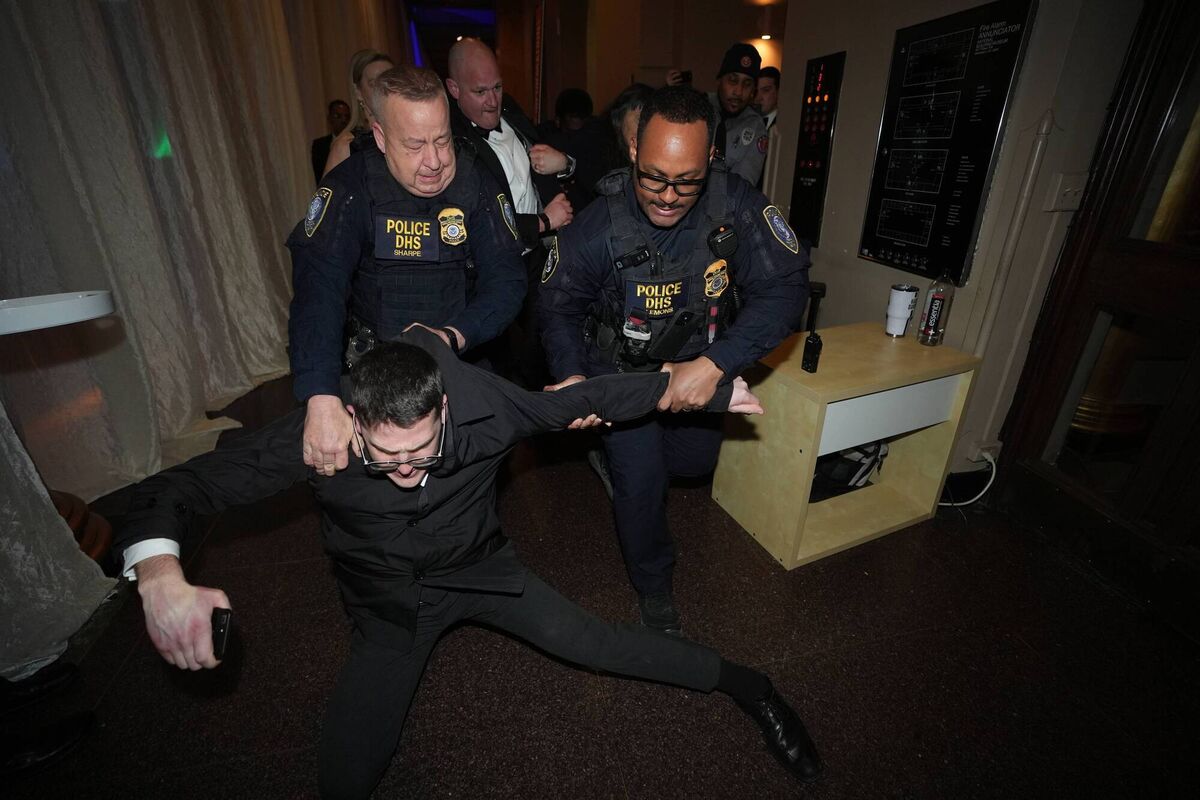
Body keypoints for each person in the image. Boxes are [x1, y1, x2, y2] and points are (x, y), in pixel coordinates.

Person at [115, 328, 823, 798]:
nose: (404, 470)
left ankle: (750, 687)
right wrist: (159, 576)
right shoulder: (319, 436)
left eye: (421, 451)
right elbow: (172, 490)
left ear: (445, 411)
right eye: (384, 456)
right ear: (353, 421)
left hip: (484, 569)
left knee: (599, 643)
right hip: (387, 605)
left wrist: (691, 390)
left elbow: (582, 401)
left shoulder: (487, 407)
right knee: (346, 773)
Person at [537, 85, 810, 635]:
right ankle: (654, 586)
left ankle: (626, 461)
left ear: (710, 159)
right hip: (623, 375)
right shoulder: (598, 226)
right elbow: (557, 307)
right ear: (634, 149)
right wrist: (571, 376)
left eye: (686, 181)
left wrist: (715, 365)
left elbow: (786, 286)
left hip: (696, 370)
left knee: (691, 465)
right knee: (640, 485)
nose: (667, 195)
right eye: (654, 177)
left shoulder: (735, 206)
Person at [287, 65, 526, 479]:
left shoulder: (477, 183)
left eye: (442, 140)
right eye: (414, 145)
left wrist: (454, 334)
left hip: (457, 359)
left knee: (470, 490)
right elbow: (317, 294)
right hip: (372, 370)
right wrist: (320, 394)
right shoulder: (350, 190)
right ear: (380, 137)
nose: (434, 161)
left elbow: (507, 279)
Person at [446, 37, 574, 249]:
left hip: (541, 255)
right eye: (480, 92)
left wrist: (565, 164)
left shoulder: (510, 109)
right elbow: (474, 222)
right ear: (454, 88)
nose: (493, 102)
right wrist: (543, 222)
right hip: (499, 266)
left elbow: (544, 157)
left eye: (497, 87)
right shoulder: (452, 144)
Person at [671, 44, 768, 185]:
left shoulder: (755, 126)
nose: (738, 92)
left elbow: (743, 186)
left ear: (753, 90)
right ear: (720, 79)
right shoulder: (698, 106)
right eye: (733, 81)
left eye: (747, 84)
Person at [321, 49, 394, 178]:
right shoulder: (347, 146)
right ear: (358, 91)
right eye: (374, 83)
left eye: (391, 81)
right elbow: (327, 197)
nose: (385, 89)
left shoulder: (410, 137)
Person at [311, 99, 351, 183]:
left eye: (346, 117)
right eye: (338, 116)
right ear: (329, 118)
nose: (343, 120)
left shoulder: (357, 143)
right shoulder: (319, 145)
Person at [758, 66, 780, 131]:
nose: (758, 97)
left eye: (765, 90)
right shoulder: (749, 120)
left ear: (778, 92)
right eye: (756, 91)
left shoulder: (786, 122)